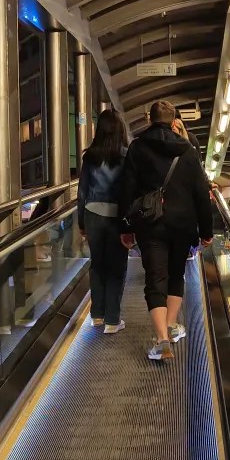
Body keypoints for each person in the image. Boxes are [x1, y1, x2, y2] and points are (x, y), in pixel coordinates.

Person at [120, 99, 213, 360]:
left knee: (155, 278)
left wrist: (124, 226)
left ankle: (162, 339)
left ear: (149, 119)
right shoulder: (188, 150)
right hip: (183, 224)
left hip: (151, 224)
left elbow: (126, 190)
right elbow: (201, 194)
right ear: (174, 121)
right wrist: (206, 230)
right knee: (175, 274)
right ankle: (171, 325)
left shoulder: (137, 148)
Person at [77, 108, 129, 333]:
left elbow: (82, 192)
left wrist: (81, 222)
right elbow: (130, 190)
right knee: (117, 267)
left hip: (93, 214)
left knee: (97, 265)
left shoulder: (90, 156)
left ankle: (96, 315)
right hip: (117, 216)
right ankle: (112, 320)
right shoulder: (127, 155)